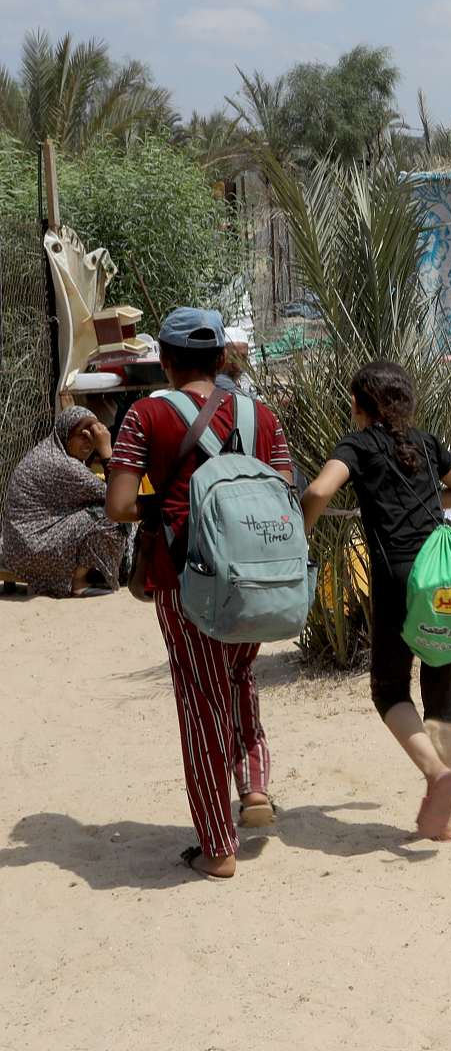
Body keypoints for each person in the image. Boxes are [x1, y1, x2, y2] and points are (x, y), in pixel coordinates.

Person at [105, 307, 289, 880]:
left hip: (187, 579)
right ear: (222, 360)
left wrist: (166, 506)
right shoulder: (263, 415)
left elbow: (118, 505)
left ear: (164, 360)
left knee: (199, 698)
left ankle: (216, 847)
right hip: (259, 577)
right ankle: (254, 787)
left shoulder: (145, 415)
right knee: (238, 677)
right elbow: (283, 490)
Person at [300, 362, 451, 843]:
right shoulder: (425, 443)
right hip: (444, 573)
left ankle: (434, 774)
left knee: (388, 688)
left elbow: (320, 489)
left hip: (399, 576)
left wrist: (301, 532)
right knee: (442, 694)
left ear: (362, 406)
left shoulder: (357, 445)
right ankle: (444, 820)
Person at [2, 406, 130, 597]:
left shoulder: (52, 452)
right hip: (30, 549)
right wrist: (105, 448)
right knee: (108, 515)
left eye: (93, 436)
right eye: (82, 436)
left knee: (105, 513)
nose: (88, 442)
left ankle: (94, 572)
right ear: (65, 434)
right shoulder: (61, 465)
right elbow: (116, 496)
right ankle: (78, 583)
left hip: (21, 544)